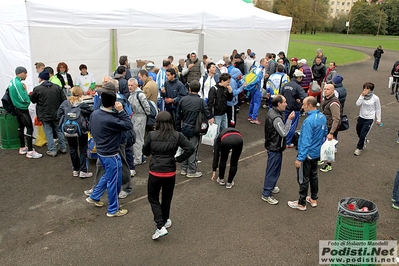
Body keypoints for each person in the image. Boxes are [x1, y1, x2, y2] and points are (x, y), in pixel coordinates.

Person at [143, 111, 195, 240]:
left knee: (153, 198)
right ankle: (165, 220)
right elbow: (190, 148)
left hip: (155, 171)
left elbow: (146, 151)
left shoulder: (152, 135)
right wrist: (178, 159)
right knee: (167, 198)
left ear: (158, 122)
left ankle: (160, 226)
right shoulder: (177, 135)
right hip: (170, 172)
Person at [86, 90, 133, 217]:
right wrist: (121, 111)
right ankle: (113, 209)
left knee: (108, 175)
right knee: (114, 180)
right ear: (113, 103)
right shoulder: (110, 119)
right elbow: (128, 125)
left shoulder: (95, 113)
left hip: (101, 150)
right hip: (111, 153)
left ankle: (95, 196)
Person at [288, 96, 327, 211]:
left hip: (307, 154)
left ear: (310, 105)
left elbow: (305, 141)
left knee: (303, 178)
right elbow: (325, 132)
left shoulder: (308, 121)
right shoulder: (322, 117)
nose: (302, 107)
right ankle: (314, 199)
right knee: (313, 176)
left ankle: (301, 203)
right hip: (316, 153)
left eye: (304, 105)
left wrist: (300, 158)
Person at [261, 95, 295, 205]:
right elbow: (284, 132)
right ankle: (266, 193)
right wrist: (289, 120)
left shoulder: (272, 112)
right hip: (274, 147)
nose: (286, 104)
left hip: (274, 146)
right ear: (279, 104)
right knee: (273, 170)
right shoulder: (276, 118)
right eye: (284, 102)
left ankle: (270, 187)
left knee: (274, 169)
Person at [176, 80, 212, 178]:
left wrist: (178, 128)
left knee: (184, 148)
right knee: (193, 149)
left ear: (189, 89)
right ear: (199, 89)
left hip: (184, 127)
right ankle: (191, 170)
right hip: (195, 129)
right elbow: (207, 113)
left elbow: (178, 116)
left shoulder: (183, 100)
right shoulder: (201, 101)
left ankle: (183, 168)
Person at [57, 86, 94, 178]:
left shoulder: (65, 103)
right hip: (81, 130)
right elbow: (91, 112)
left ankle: (75, 169)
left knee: (72, 149)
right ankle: (83, 170)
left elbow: (58, 115)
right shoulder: (82, 104)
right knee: (82, 149)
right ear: (80, 94)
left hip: (69, 129)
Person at [30, 70, 67, 157]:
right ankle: (63, 147)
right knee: (59, 130)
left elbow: (33, 100)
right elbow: (64, 99)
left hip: (44, 114)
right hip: (57, 113)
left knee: (48, 131)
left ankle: (52, 150)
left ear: (40, 78)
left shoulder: (37, 89)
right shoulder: (57, 87)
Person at [8, 66, 42, 159]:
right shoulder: (18, 83)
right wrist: (27, 96)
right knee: (29, 128)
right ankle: (30, 151)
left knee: (21, 127)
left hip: (16, 107)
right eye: (25, 73)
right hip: (21, 108)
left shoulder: (12, 82)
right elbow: (23, 98)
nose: (26, 75)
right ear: (20, 73)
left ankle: (23, 147)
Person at [280, 69, 308, 148]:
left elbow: (280, 95)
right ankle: (288, 142)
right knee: (292, 125)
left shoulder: (285, 85)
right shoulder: (297, 87)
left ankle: (283, 140)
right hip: (295, 109)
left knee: (285, 124)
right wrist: (300, 100)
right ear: (298, 78)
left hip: (285, 108)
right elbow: (305, 97)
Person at [354, 82, 382, 156]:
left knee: (363, 134)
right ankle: (364, 140)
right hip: (361, 117)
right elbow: (357, 103)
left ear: (371, 90)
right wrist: (362, 96)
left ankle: (359, 148)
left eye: (367, 88)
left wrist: (378, 119)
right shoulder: (362, 96)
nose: (365, 90)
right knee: (358, 131)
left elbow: (378, 108)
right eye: (364, 88)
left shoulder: (375, 98)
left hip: (369, 118)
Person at [128, 78, 150, 168]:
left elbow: (146, 106)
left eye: (131, 85)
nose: (130, 87)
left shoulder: (139, 94)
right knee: (138, 137)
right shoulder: (133, 94)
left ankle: (138, 159)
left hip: (140, 117)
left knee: (138, 138)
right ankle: (140, 156)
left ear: (136, 85)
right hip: (136, 116)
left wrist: (146, 114)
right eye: (129, 85)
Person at [319, 84, 341, 173]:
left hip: (330, 127)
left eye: (328, 89)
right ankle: (321, 158)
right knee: (323, 144)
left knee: (329, 147)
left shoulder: (333, 103)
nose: (325, 91)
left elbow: (336, 118)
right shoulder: (326, 99)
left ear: (332, 91)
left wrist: (332, 132)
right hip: (326, 125)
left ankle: (328, 165)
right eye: (324, 89)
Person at [248, 58, 267, 124]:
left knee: (252, 102)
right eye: (266, 62)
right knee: (257, 103)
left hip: (254, 88)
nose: (267, 64)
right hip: (257, 88)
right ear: (262, 62)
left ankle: (250, 116)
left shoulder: (256, 69)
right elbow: (258, 80)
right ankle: (254, 118)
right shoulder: (260, 70)